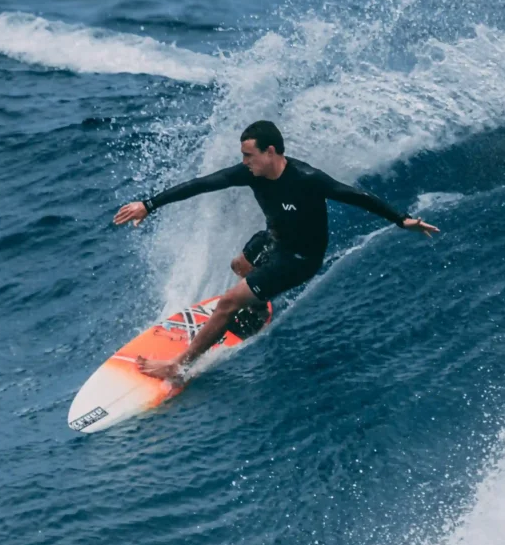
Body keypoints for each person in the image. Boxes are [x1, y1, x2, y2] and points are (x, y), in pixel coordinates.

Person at [114, 120, 438, 382]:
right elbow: (202, 184)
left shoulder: (307, 179)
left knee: (228, 302)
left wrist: (401, 219)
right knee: (239, 265)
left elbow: (356, 196)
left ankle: (178, 366)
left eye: (249, 155)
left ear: (270, 152)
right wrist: (149, 204)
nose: (244, 163)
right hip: (275, 238)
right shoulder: (252, 173)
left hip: (301, 258)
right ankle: (257, 308)